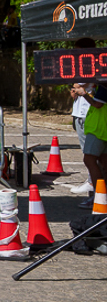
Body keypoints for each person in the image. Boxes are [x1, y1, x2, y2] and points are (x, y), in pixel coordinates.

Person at [69, 38, 96, 199]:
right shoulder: (79, 65)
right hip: (79, 112)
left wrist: (78, 87)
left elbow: (80, 84)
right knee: (86, 150)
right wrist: (75, 88)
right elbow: (75, 87)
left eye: (78, 49)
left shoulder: (92, 65)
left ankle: (92, 182)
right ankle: (91, 180)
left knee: (90, 152)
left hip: (88, 112)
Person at [75, 81, 107, 209]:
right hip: (101, 128)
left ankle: (98, 196)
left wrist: (84, 94)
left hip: (98, 129)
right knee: (104, 163)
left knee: (89, 160)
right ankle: (102, 195)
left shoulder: (104, 86)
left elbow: (97, 104)